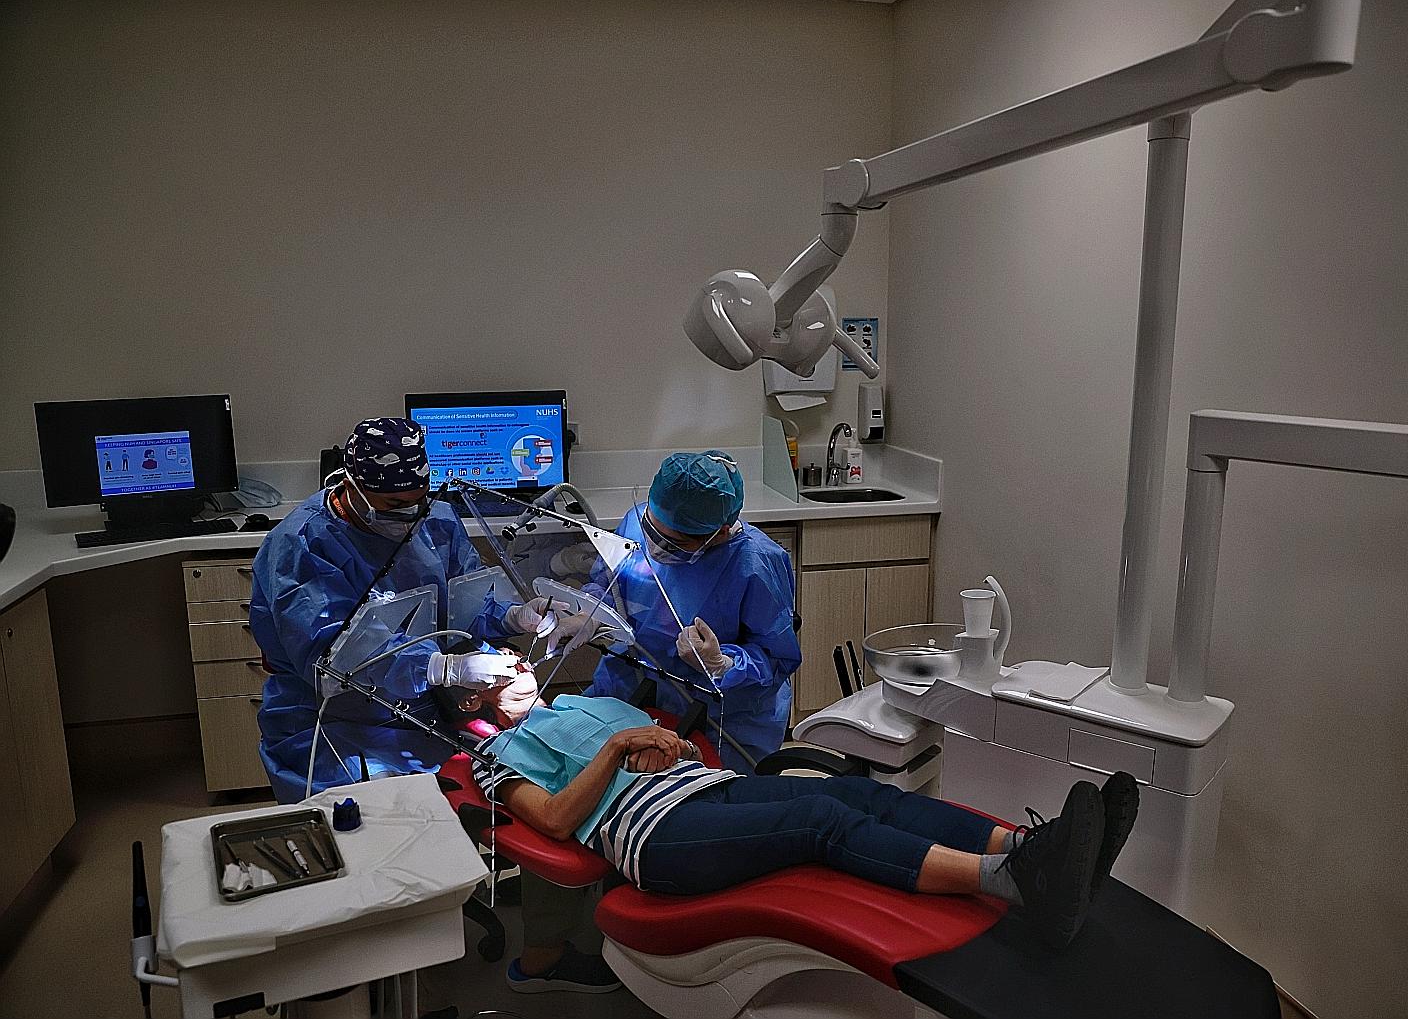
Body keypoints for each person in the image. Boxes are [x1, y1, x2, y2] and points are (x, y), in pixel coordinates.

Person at [249, 417, 620, 995]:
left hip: (427, 717)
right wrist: (445, 668)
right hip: (333, 731)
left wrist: (515, 622)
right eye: (394, 504)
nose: (410, 515)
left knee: (428, 858)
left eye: (418, 500)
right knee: (362, 876)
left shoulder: (433, 517)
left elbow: (469, 599)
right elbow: (330, 662)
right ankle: (364, 987)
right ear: (351, 486)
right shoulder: (303, 548)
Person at [473, 693, 1140, 951]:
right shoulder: (493, 756)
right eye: (492, 665)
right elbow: (557, 820)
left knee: (858, 794)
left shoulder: (583, 697)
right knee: (819, 817)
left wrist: (660, 739)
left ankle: (1036, 846)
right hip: (657, 838)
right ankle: (1013, 880)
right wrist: (618, 748)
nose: (513, 661)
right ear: (475, 697)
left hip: (717, 789)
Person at [553, 451, 799, 773]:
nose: (655, 546)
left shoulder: (756, 563)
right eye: (651, 531)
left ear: (721, 531)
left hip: (722, 720)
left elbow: (776, 657)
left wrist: (721, 662)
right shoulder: (638, 520)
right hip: (629, 687)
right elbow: (611, 585)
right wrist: (589, 613)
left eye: (675, 543)